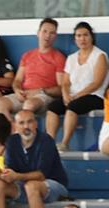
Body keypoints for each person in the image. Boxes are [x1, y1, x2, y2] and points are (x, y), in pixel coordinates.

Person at [0, 108, 68, 208]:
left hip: (54, 186)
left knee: (32, 185)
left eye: (30, 122)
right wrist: (3, 174)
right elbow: (11, 170)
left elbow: (41, 175)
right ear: (15, 126)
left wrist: (16, 176)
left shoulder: (46, 140)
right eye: (21, 123)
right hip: (25, 186)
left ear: (36, 124)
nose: (26, 126)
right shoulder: (12, 141)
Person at [46, 22, 108, 150]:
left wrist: (77, 96)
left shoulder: (100, 56)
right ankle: (49, 144)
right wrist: (65, 94)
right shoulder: (71, 58)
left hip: (94, 95)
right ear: (75, 39)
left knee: (73, 107)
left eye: (85, 35)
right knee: (53, 107)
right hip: (74, 95)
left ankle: (64, 143)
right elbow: (66, 82)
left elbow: (97, 83)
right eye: (78, 36)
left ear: (92, 37)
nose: (82, 38)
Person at [0, 18, 66, 120]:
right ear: (38, 33)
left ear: (55, 36)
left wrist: (40, 91)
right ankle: (13, 129)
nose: (47, 35)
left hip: (43, 96)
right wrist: (17, 90)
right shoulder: (27, 55)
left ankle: (21, 130)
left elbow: (61, 88)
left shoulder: (58, 57)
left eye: (52, 33)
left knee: (29, 105)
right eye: (44, 31)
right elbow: (17, 80)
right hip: (24, 94)